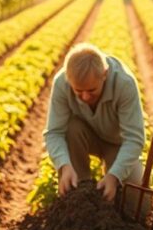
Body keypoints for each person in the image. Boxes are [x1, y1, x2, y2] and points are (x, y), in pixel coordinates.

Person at [43, 42, 147, 205]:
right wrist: (64, 165)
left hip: (117, 143)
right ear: (68, 80)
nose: (85, 97)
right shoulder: (61, 83)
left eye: (91, 90)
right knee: (71, 128)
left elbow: (134, 139)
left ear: (104, 74)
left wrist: (114, 176)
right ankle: (79, 194)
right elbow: (54, 132)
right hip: (83, 137)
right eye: (78, 91)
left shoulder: (124, 83)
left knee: (138, 204)